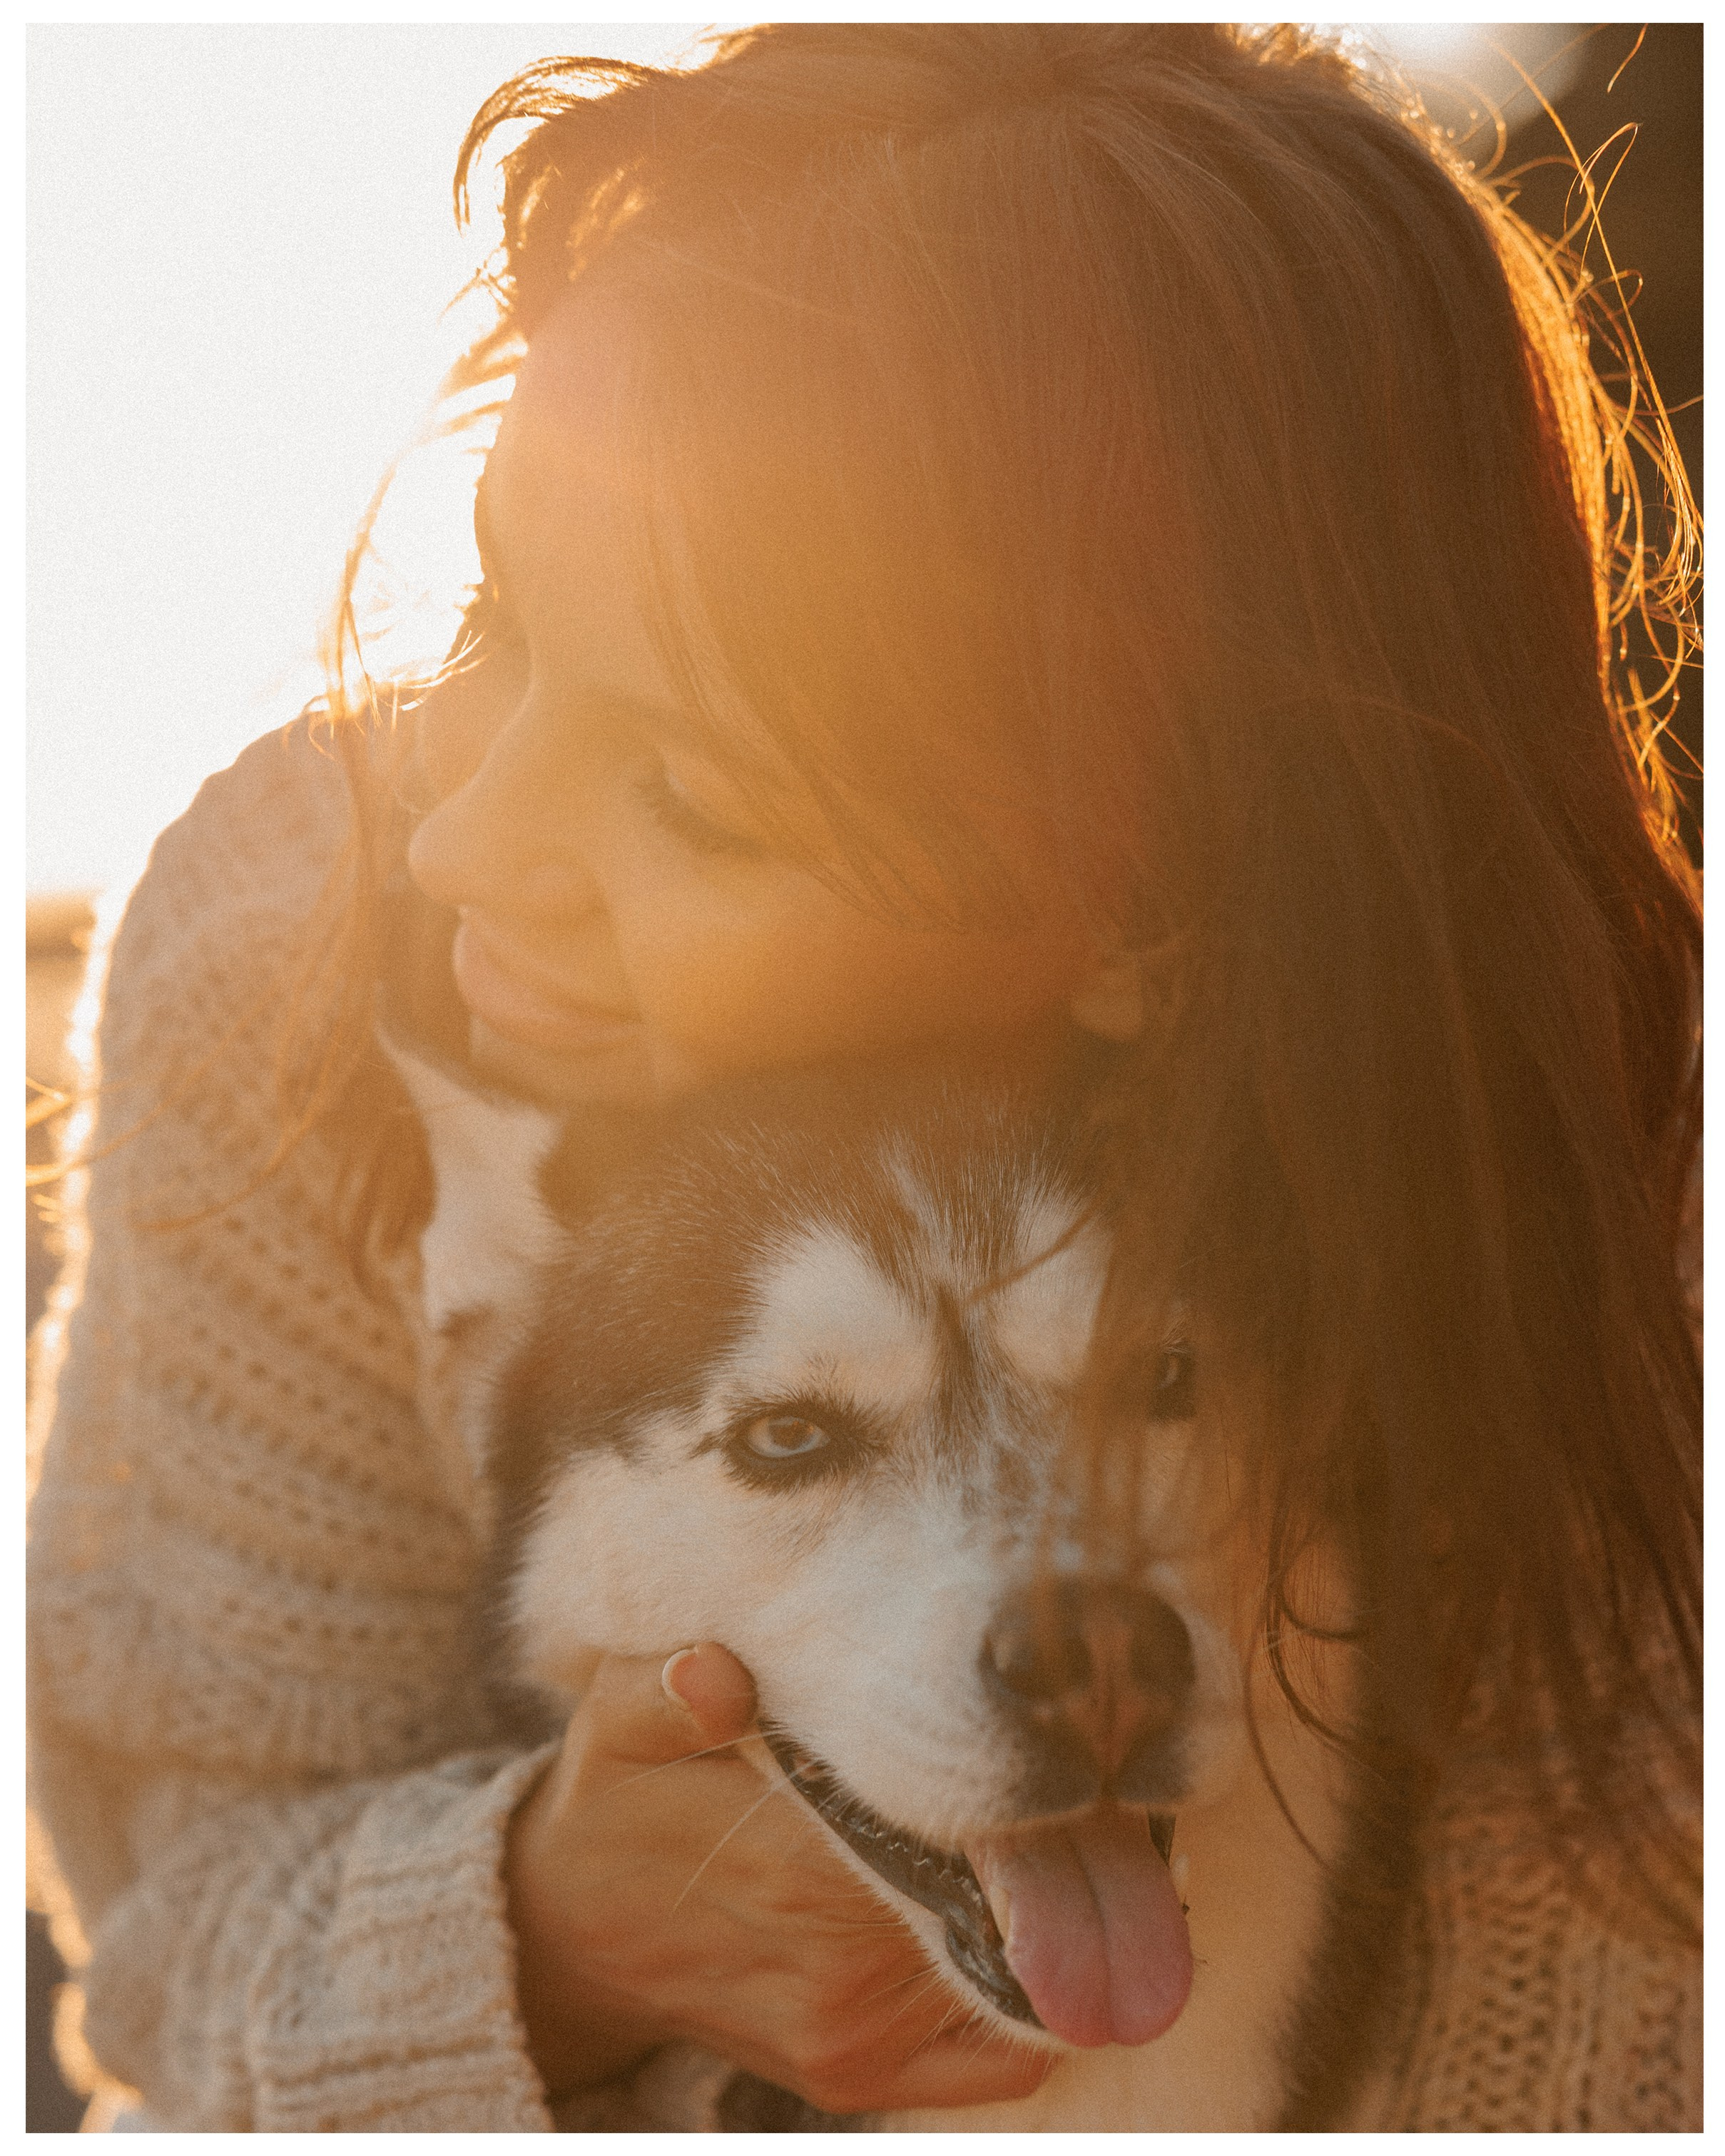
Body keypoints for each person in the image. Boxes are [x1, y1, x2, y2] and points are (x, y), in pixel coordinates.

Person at [27, 22, 1700, 2132]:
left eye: (694, 797)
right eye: (500, 624)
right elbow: (171, 1948)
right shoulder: (297, 956)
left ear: (1159, 912)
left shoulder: (1654, 1220)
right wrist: (546, 1927)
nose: (470, 844)